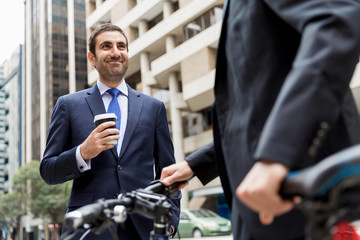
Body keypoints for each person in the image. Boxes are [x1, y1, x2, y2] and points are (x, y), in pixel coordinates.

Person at [161, 1, 360, 239]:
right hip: (258, 208)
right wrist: (196, 165)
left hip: (299, 202)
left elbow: (336, 23)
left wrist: (278, 154)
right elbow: (253, 112)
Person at [40, 23, 180, 240]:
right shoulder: (68, 105)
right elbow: (48, 171)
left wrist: (170, 221)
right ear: (92, 58)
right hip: (89, 229)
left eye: (121, 46)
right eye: (106, 46)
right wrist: (83, 153)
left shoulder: (154, 107)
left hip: (144, 228)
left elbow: (168, 172)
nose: (116, 52)